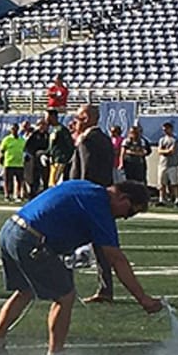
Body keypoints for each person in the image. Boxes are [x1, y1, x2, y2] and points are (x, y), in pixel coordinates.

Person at [0, 180, 163, 355]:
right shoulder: (100, 206)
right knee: (65, 297)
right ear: (122, 198)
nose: (125, 217)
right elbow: (116, 259)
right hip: (32, 240)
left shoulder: (85, 187)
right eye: (130, 211)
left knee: (25, 291)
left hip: (10, 229)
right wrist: (143, 299)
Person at [67, 104, 117, 305]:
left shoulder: (87, 140)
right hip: (101, 197)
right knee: (101, 246)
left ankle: (62, 287)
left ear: (86, 118)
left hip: (87, 199)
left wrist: (77, 196)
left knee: (67, 241)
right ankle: (106, 288)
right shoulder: (103, 139)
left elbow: (84, 173)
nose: (75, 122)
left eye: (78, 118)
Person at [156, 121, 178, 207]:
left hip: (172, 164)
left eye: (167, 129)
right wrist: (165, 151)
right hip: (162, 164)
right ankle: (162, 199)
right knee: (161, 183)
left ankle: (177, 199)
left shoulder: (175, 140)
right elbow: (159, 151)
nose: (165, 131)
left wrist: (165, 151)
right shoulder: (162, 140)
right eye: (164, 129)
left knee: (174, 183)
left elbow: (172, 151)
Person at [45, 111, 75, 188]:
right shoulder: (52, 130)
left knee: (55, 184)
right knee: (51, 183)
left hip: (60, 160)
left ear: (53, 117)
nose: (45, 119)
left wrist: (65, 158)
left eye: (47, 117)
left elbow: (70, 145)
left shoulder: (62, 130)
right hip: (53, 160)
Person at [0, 122, 26, 202]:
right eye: (13, 129)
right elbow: (2, 150)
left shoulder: (22, 140)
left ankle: (18, 195)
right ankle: (7, 195)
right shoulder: (7, 139)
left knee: (19, 180)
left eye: (16, 129)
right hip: (9, 162)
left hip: (19, 163)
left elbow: (24, 149)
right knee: (7, 180)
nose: (14, 130)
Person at [23, 120, 49, 199]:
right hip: (33, 159)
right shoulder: (33, 134)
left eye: (44, 125)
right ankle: (32, 193)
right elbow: (27, 147)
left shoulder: (47, 135)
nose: (42, 127)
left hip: (43, 159)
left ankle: (45, 192)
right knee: (33, 178)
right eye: (40, 124)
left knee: (45, 177)